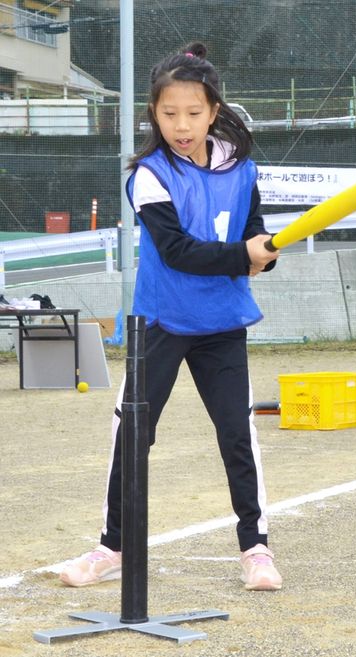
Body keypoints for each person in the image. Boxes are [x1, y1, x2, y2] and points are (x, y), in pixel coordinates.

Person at [59, 42, 283, 591]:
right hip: (159, 324)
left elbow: (252, 235)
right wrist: (241, 257)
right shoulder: (148, 175)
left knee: (237, 434)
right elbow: (178, 251)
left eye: (193, 113)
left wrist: (262, 256)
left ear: (214, 111)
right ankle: (113, 546)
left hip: (222, 324)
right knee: (133, 433)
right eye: (168, 114)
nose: (181, 125)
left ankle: (255, 548)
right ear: (153, 115)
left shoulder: (242, 168)